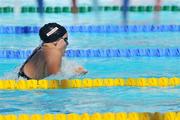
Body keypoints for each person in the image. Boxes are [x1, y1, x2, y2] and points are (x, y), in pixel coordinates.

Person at [18, 23, 88, 80]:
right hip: (32, 92)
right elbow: (57, 77)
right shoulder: (54, 52)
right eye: (66, 39)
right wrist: (75, 72)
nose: (67, 43)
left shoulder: (41, 48)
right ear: (56, 41)